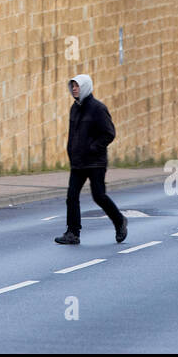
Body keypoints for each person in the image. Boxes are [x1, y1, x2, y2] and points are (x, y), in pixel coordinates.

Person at [55, 73, 127, 245]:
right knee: (71, 196)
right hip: (78, 162)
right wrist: (71, 152)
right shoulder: (74, 108)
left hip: (95, 162)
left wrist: (93, 148)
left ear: (85, 87)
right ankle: (73, 233)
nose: (74, 89)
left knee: (99, 196)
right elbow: (73, 135)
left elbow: (109, 133)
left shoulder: (98, 108)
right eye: (72, 86)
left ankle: (120, 221)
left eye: (77, 86)